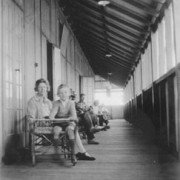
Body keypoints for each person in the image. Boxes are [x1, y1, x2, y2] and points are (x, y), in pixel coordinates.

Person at [27, 79, 95, 163]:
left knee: (73, 125)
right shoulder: (32, 101)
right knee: (72, 128)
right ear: (36, 88)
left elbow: (54, 112)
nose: (43, 89)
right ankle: (81, 151)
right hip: (42, 124)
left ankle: (78, 151)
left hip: (52, 122)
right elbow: (31, 118)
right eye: (40, 87)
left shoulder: (48, 101)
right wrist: (44, 120)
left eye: (44, 87)